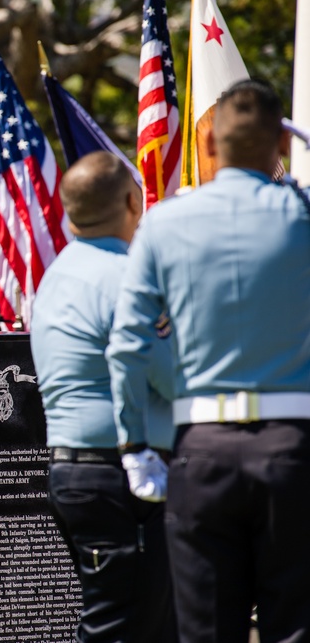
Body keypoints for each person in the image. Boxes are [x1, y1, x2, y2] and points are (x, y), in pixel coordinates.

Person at [108, 79, 310, 642]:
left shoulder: (165, 223)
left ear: (212, 147)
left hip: (200, 450)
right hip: (293, 448)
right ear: (278, 148)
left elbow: (128, 344)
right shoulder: (303, 215)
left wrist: (134, 445)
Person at [30, 151, 177, 642]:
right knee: (124, 626)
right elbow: (171, 376)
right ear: (135, 201)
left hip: (76, 472)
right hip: (124, 476)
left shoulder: (56, 276)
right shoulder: (127, 278)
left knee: (129, 620)